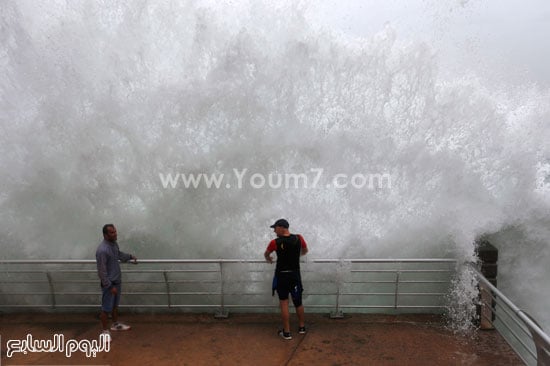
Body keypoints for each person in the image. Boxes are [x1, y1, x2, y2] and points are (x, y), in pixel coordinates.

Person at [264, 218, 308, 340]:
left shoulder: (274, 242)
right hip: (295, 275)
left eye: (275, 228)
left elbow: (266, 254)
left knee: (284, 303)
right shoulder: (299, 238)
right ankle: (302, 327)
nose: (274, 231)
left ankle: (287, 332)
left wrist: (269, 259)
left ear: (281, 227)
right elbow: (305, 250)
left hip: (282, 275)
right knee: (298, 301)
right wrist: (295, 256)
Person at [96, 224, 137, 340]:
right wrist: (109, 286)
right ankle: (104, 331)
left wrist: (130, 256)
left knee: (114, 306)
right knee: (106, 309)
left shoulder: (113, 244)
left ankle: (115, 324)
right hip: (110, 284)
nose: (115, 234)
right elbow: (102, 272)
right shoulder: (102, 250)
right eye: (112, 233)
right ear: (105, 235)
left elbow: (118, 255)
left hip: (117, 282)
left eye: (115, 232)